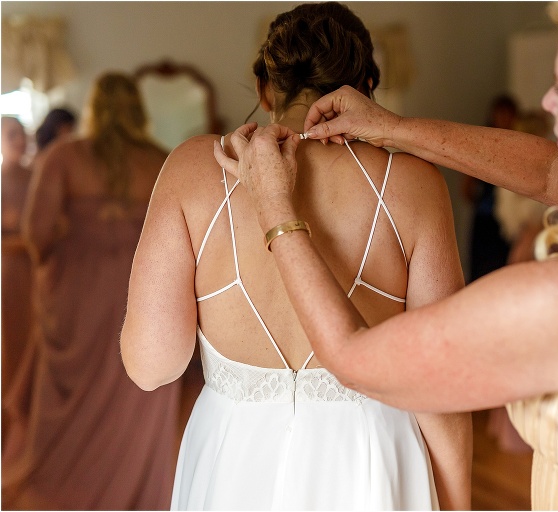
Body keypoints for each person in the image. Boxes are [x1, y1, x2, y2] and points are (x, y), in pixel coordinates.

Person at [217, 2, 558, 509]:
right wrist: (396, 130)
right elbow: (552, 173)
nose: (546, 104)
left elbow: (353, 358)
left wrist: (276, 209)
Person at [120, 3, 472, 510]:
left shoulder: (194, 169)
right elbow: (438, 383)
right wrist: (457, 502)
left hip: (233, 461)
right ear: (366, 85)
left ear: (264, 88)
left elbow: (152, 366)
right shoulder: (414, 185)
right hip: (369, 456)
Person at [2, 72, 178, 510]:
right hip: (144, 287)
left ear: (93, 108)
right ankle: (132, 491)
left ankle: (59, 492)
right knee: (136, 390)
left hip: (78, 294)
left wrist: (54, 268)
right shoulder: (160, 159)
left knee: (69, 388)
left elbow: (36, 232)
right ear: (138, 108)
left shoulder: (65, 157)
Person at [1, 117, 34, 449]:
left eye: (23, 133)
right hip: (10, 275)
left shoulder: (37, 175)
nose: (20, 140)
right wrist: (29, 242)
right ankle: (9, 415)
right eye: (12, 134)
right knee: (12, 342)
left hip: (41, 273)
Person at [462, 95, 518, 282]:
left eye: (508, 114)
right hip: (485, 219)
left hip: (509, 222)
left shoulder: (520, 146)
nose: (504, 118)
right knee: (481, 272)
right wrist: (483, 203)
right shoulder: (482, 145)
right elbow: (467, 187)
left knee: (504, 271)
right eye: (500, 113)